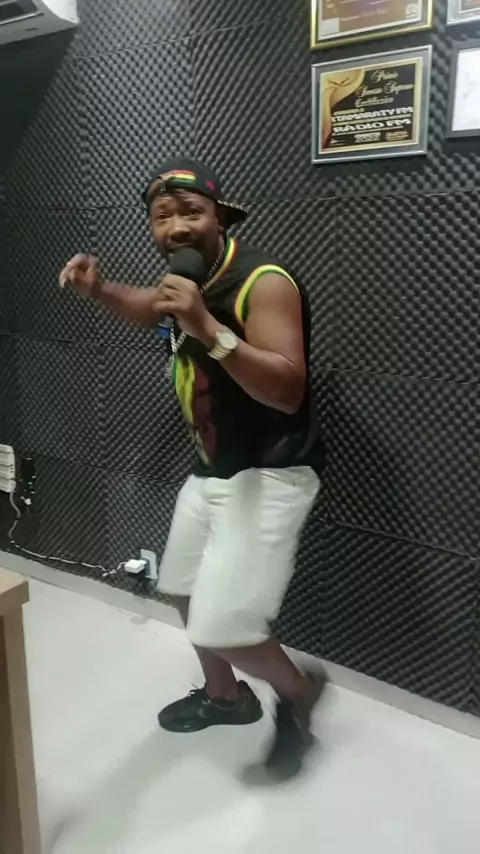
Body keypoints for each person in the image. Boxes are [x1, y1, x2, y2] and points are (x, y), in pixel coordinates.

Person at [59, 157, 327, 779]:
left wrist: (208, 329)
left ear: (219, 217)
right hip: (213, 469)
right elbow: (150, 306)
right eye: (162, 217)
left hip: (272, 472)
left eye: (190, 212)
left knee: (225, 625)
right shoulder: (185, 278)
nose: (176, 226)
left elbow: (288, 390)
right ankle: (226, 698)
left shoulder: (264, 281)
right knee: (181, 587)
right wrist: (101, 290)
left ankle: (299, 693)